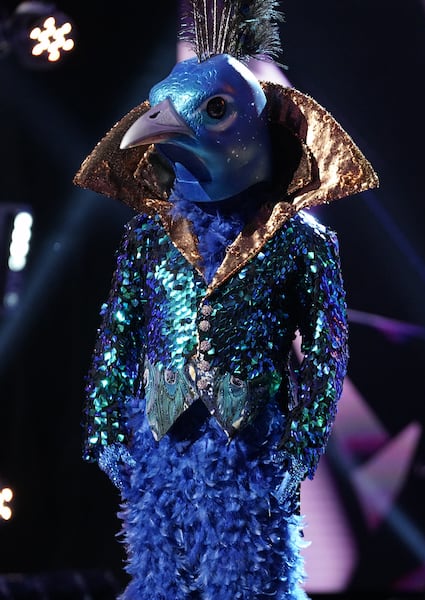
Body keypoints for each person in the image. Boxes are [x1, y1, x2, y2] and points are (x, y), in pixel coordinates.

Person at [74, 2, 378, 598]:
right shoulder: (150, 232)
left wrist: (298, 447)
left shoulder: (300, 239)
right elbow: (120, 332)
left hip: (249, 446)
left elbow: (326, 353)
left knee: (249, 580)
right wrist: (107, 424)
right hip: (160, 442)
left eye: (211, 109)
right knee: (162, 576)